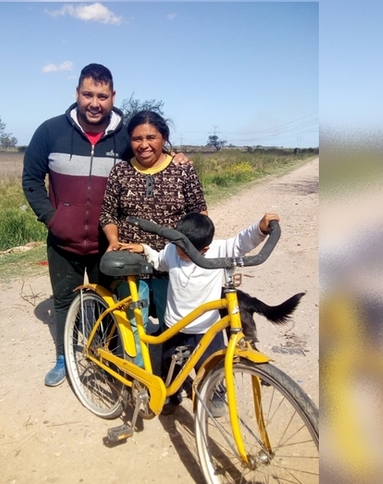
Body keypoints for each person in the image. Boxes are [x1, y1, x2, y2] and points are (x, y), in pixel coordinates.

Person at [22, 64, 191, 387]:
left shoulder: (125, 136)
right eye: (88, 94)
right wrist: (53, 218)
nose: (94, 103)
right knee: (65, 300)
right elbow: (31, 180)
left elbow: (151, 152)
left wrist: (177, 156)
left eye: (102, 95)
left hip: (108, 243)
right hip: (63, 241)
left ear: (113, 97)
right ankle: (65, 355)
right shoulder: (50, 131)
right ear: (77, 94)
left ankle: (108, 357)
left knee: (112, 303)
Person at [121, 212, 280, 413]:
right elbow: (159, 260)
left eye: (184, 249)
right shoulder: (172, 250)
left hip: (207, 328)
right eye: (177, 244)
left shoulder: (220, 249)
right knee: (170, 365)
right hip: (174, 326)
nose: (178, 250)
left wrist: (261, 227)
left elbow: (242, 241)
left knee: (213, 366)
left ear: (204, 249)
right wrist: (145, 249)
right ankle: (171, 394)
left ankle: (214, 393)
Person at [99, 110, 207, 371]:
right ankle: (140, 378)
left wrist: (192, 247)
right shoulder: (121, 172)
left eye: (151, 137)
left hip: (172, 261)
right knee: (135, 325)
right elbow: (108, 213)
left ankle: (176, 377)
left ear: (164, 138)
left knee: (178, 323)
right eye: (137, 139)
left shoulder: (183, 170)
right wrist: (113, 240)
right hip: (132, 262)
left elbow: (200, 211)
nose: (144, 144)